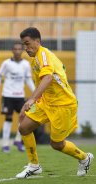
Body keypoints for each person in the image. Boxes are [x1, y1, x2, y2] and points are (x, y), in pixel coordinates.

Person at [16, 27, 93, 178]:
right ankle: (34, 166)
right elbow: (43, 85)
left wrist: (31, 99)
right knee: (24, 128)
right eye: (23, 45)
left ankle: (84, 158)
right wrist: (31, 103)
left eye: (27, 43)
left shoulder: (43, 55)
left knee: (56, 144)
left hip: (63, 105)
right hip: (46, 102)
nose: (25, 48)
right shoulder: (35, 59)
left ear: (37, 41)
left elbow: (48, 78)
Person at [0, 43, 35, 153]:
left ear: (22, 51)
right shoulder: (6, 63)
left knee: (25, 118)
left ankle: (17, 140)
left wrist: (36, 93)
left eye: (19, 49)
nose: (17, 51)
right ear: (12, 50)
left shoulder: (26, 64)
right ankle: (5, 144)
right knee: (8, 118)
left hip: (20, 96)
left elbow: (28, 80)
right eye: (15, 49)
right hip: (8, 96)